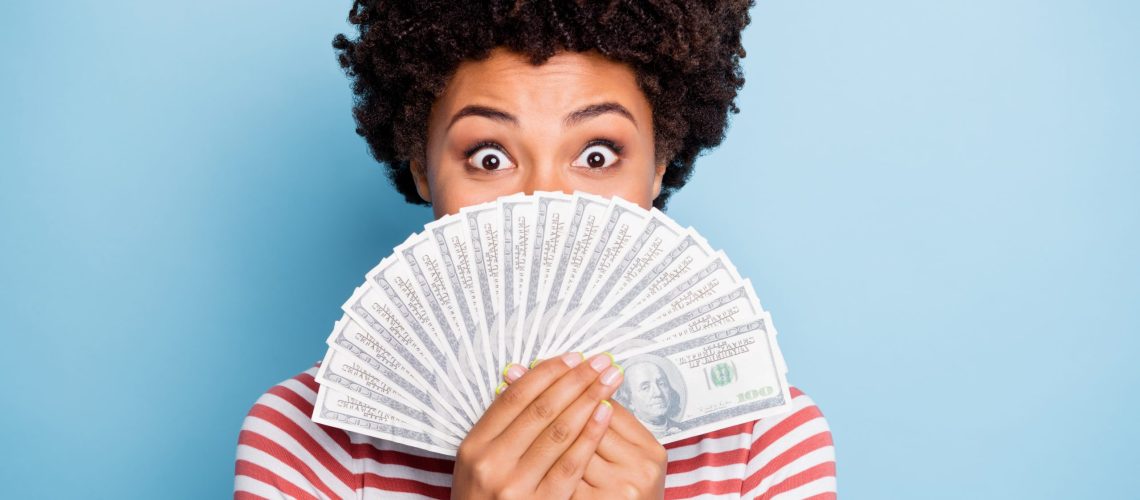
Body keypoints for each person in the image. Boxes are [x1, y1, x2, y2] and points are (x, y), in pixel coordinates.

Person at [235, 1, 836, 498]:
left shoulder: (764, 436)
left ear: (658, 167)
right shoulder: (302, 435)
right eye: (489, 157)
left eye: (597, 155)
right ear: (423, 170)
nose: (545, 202)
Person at [613, 359, 685, 437]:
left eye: (661, 384)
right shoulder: (625, 437)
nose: (658, 393)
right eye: (645, 388)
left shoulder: (684, 429)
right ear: (629, 401)